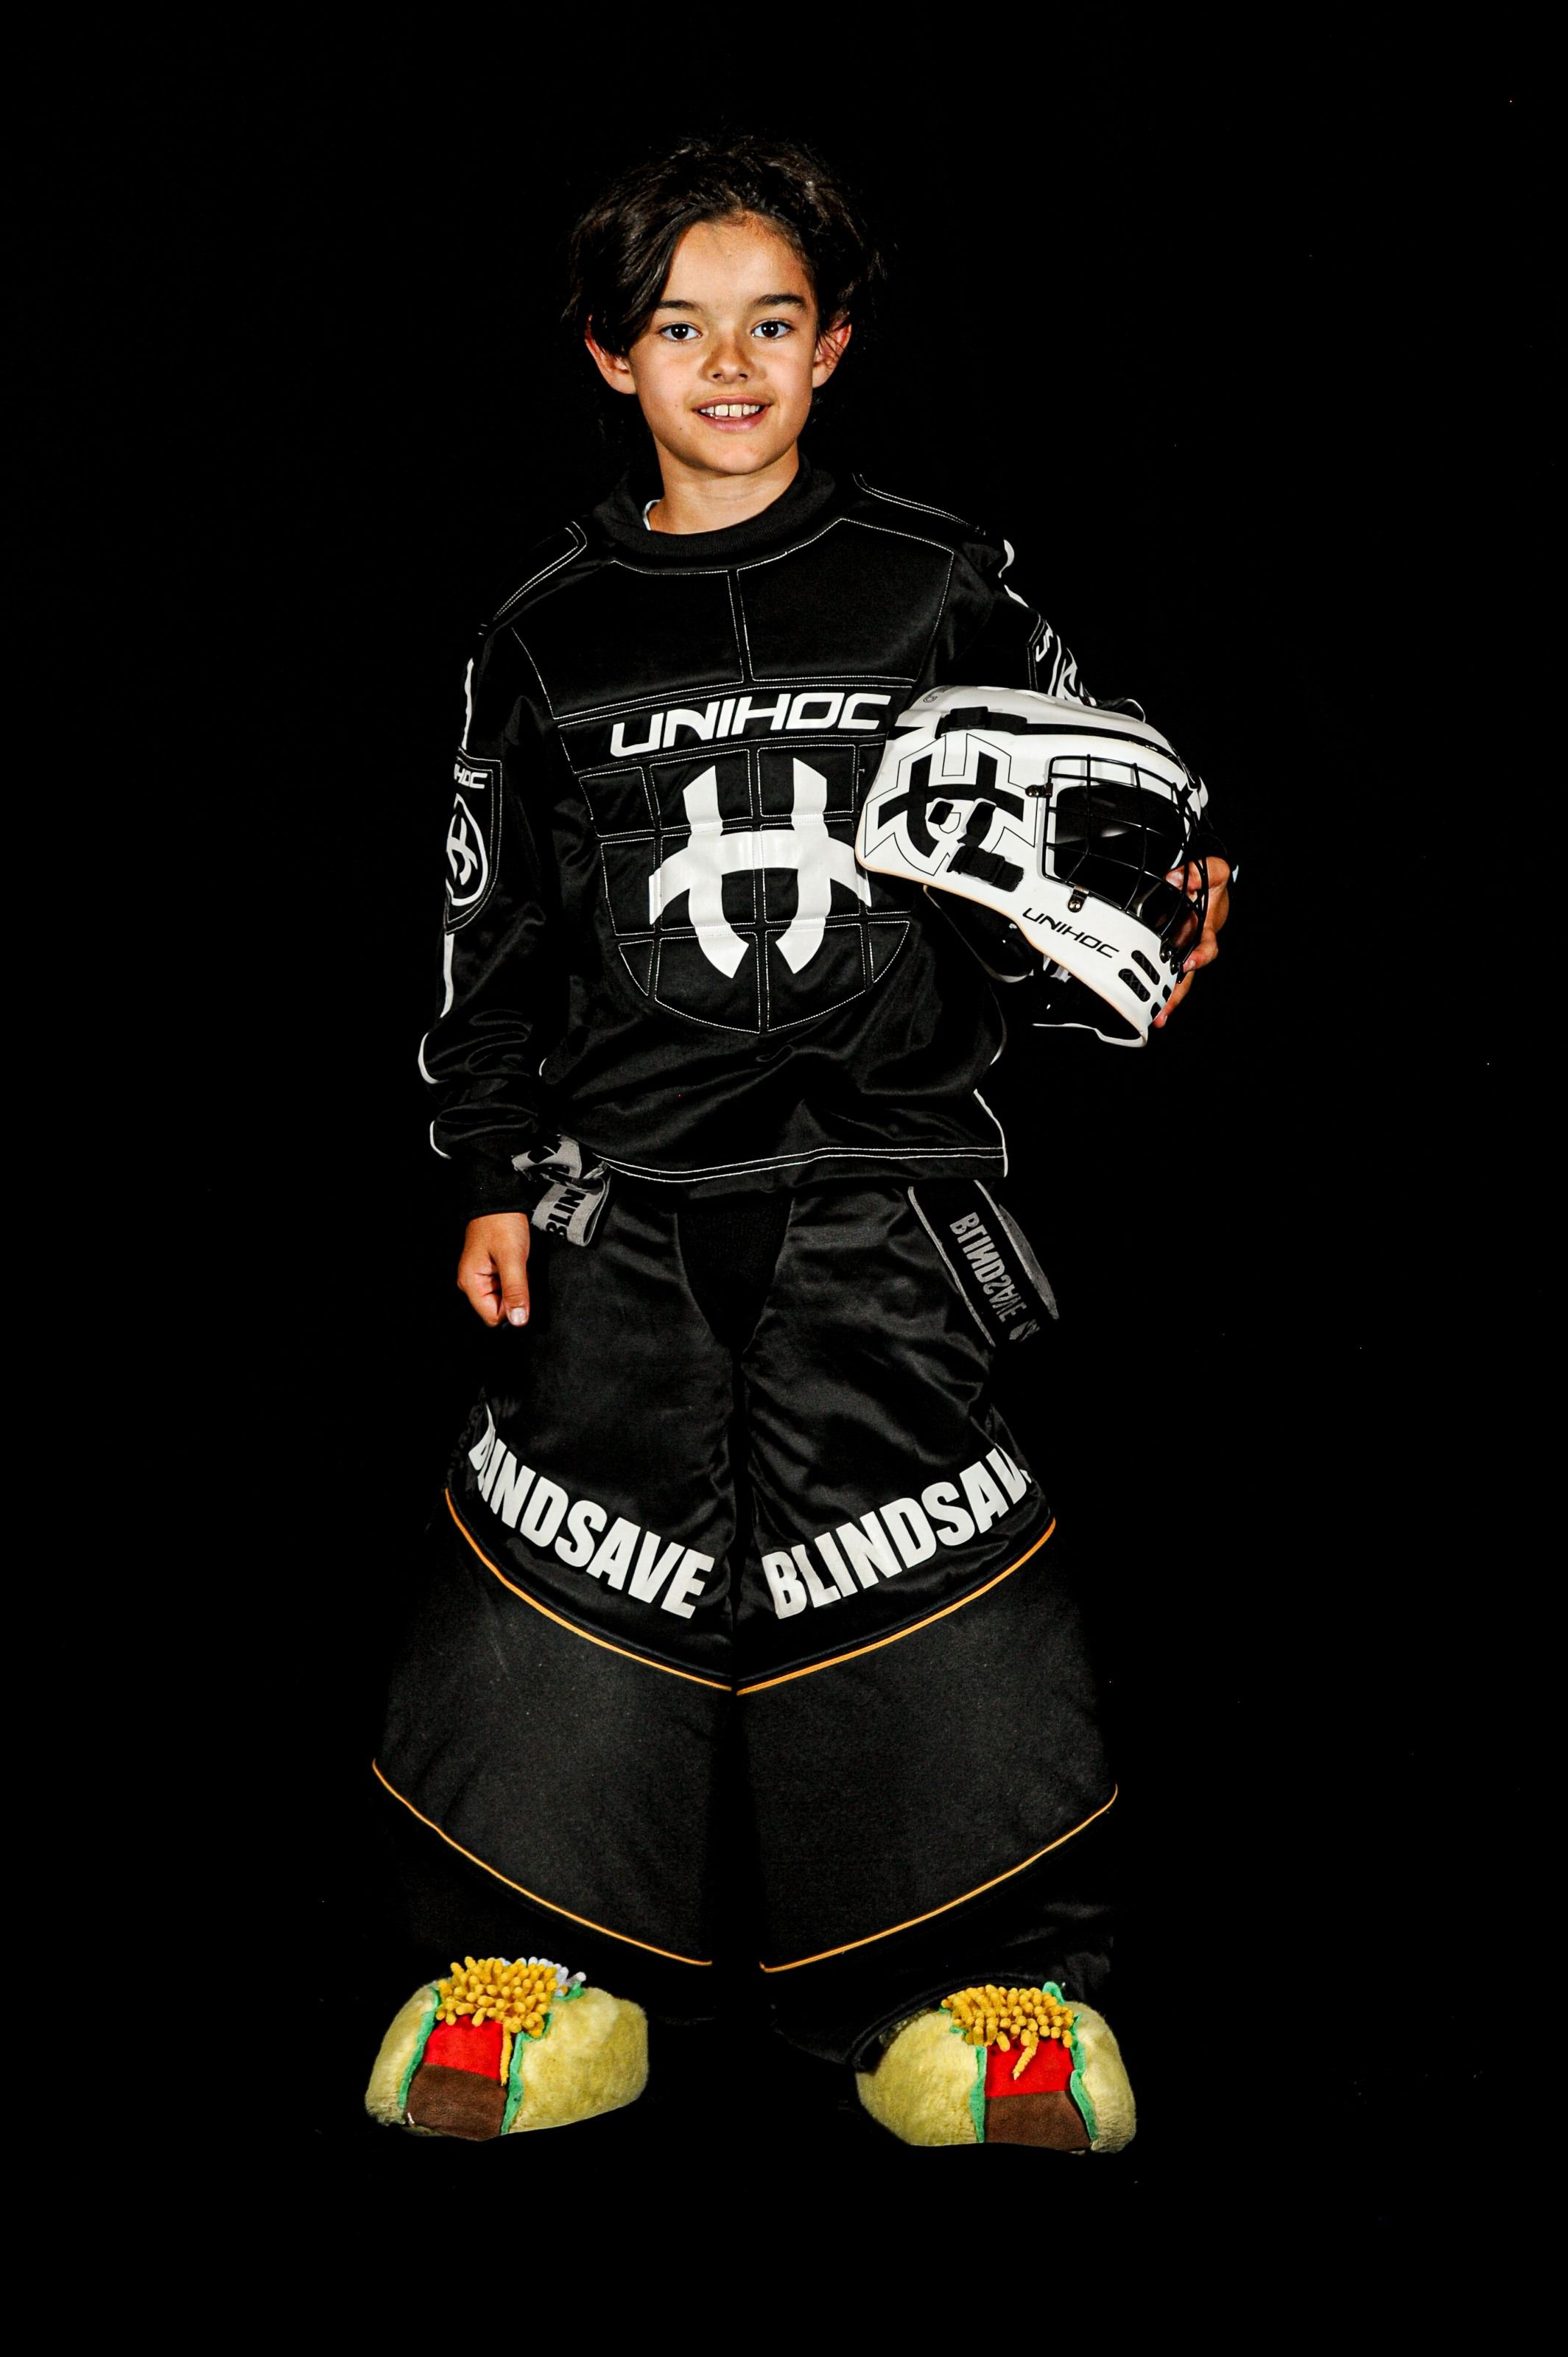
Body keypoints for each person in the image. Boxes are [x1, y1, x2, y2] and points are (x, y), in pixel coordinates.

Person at [365, 131, 1232, 2149]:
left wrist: (1168, 899)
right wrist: (489, 1168)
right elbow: (493, 935)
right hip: (623, 1196)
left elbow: (1086, 840)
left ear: (834, 344)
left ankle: (991, 1994)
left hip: (886, 1187)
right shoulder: (545, 633)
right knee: (569, 1561)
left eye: (773, 324)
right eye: (682, 329)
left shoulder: (942, 582)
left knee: (931, 1561)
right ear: (612, 357)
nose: (731, 365)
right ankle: (534, 1970)